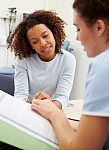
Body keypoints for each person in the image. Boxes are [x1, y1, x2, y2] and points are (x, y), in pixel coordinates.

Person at [31, 0, 109, 149]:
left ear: (99, 27)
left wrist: (54, 113)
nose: (77, 38)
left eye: (78, 29)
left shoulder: (103, 67)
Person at [7, 10, 76, 110]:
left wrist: (48, 107)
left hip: (51, 109)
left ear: (53, 33)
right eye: (35, 42)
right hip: (29, 109)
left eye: (45, 36)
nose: (43, 43)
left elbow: (62, 97)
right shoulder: (23, 60)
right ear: (30, 46)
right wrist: (23, 104)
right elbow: (20, 94)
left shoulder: (68, 59)